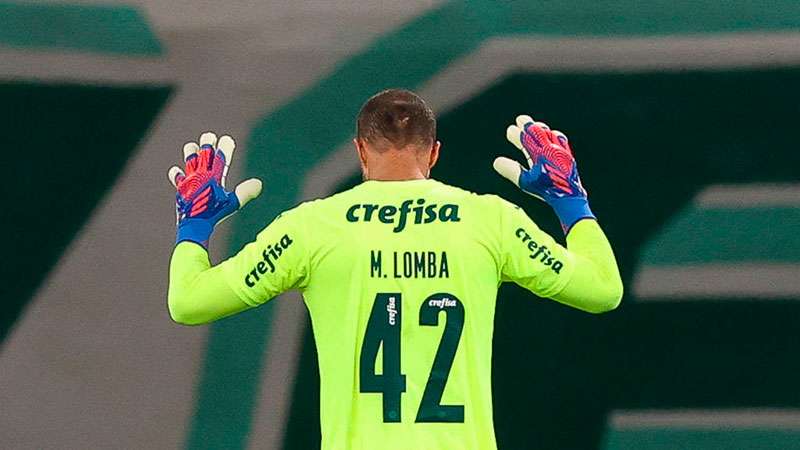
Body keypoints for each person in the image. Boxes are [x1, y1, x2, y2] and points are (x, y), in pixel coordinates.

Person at [167, 89, 623, 450]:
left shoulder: (311, 228)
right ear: (435, 153)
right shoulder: (490, 220)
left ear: (361, 151)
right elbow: (603, 289)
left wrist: (195, 225)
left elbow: (188, 302)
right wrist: (571, 202)